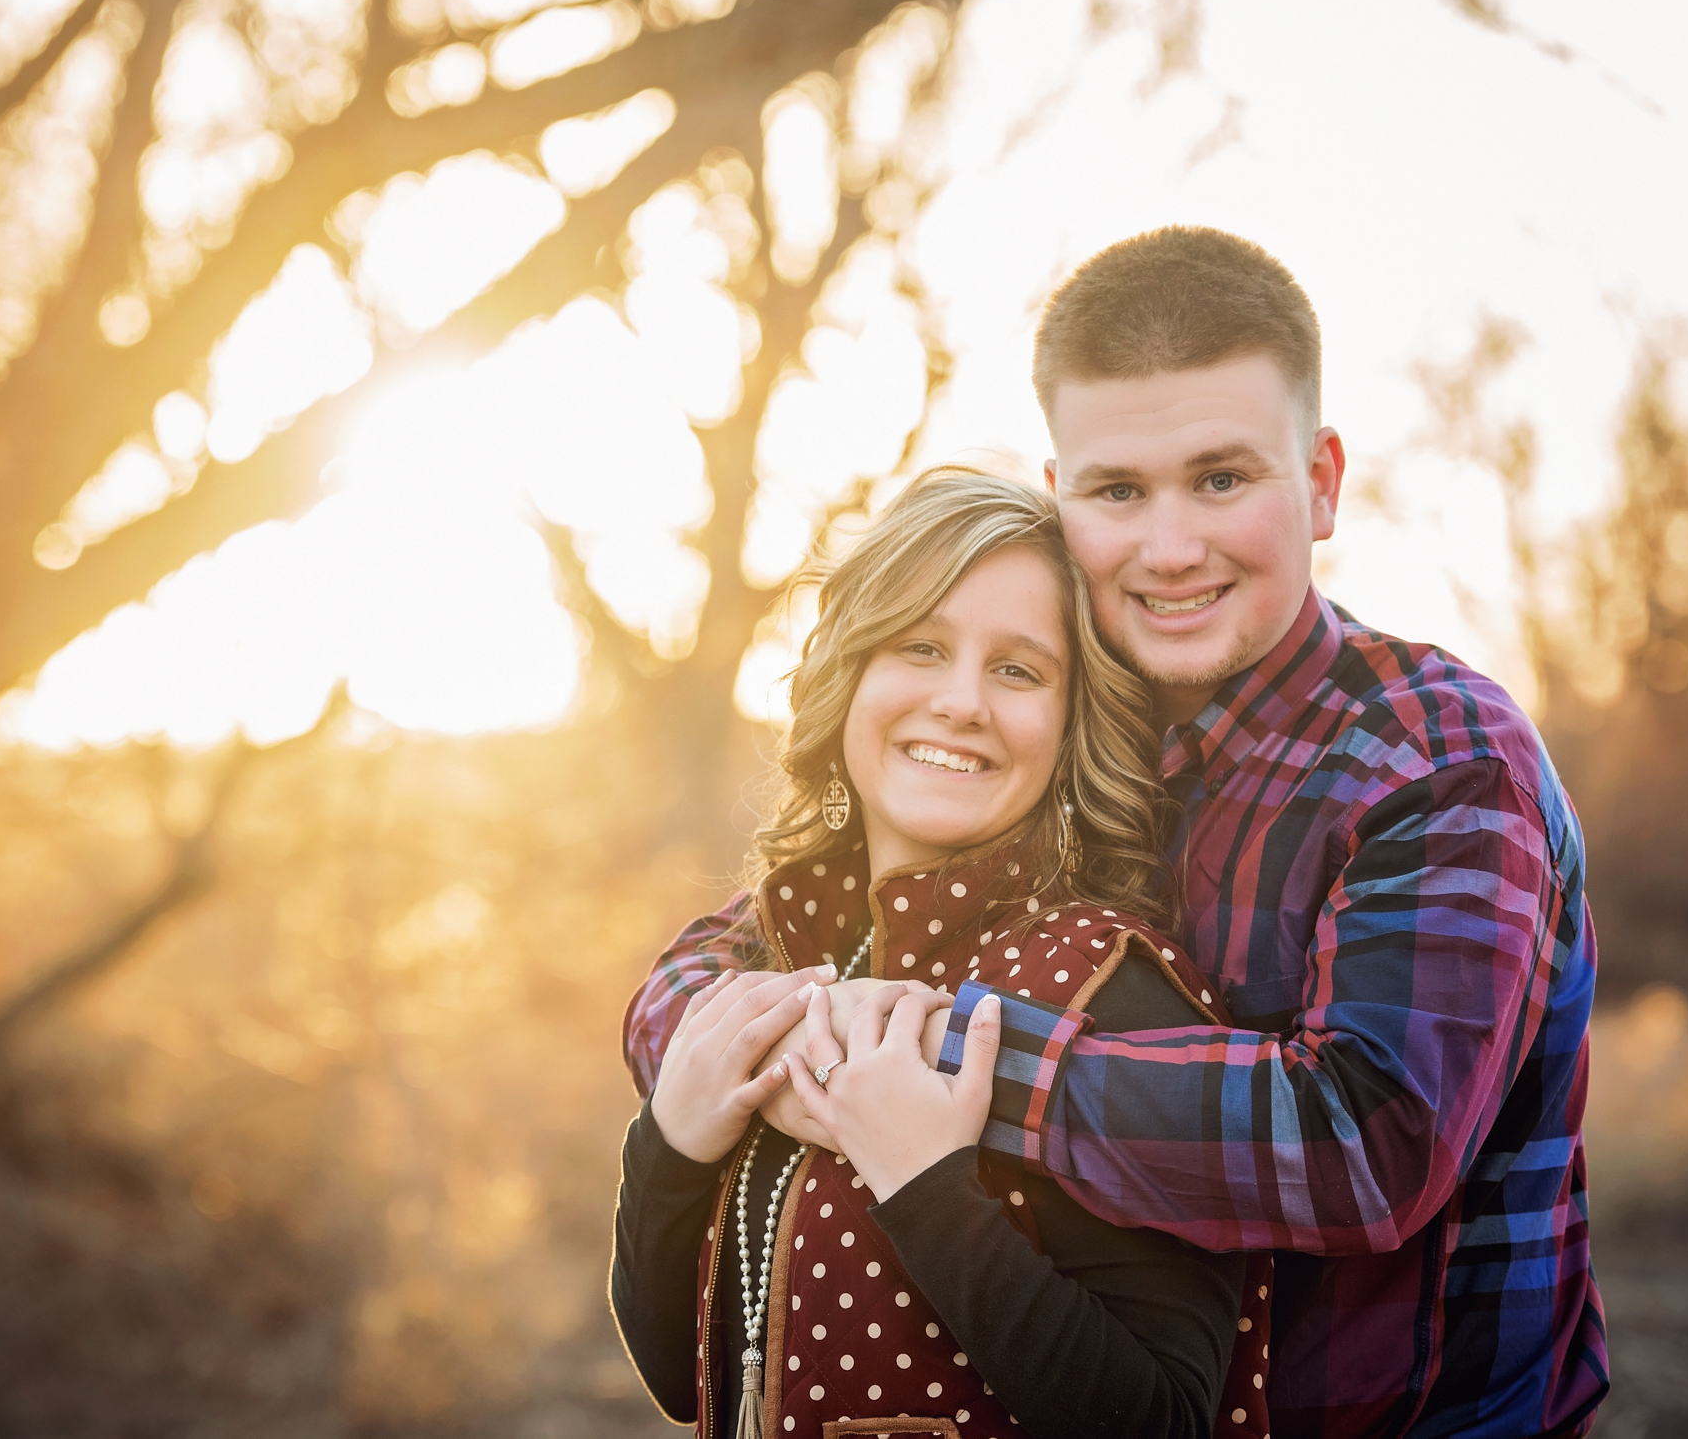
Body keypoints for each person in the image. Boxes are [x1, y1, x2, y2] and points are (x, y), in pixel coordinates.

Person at [624, 227, 1607, 1439]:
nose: (1171, 545)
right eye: (1118, 491)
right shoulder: (1076, 736)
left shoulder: (1436, 757)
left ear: (1324, 482)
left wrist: (937, 1063)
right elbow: (735, 957)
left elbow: (1367, 1142)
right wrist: (757, 1055)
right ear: (1063, 500)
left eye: (1222, 478)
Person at [609, 467, 1268, 1439]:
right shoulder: (777, 967)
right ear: (850, 675)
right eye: (921, 647)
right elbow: (687, 1375)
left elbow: (1168, 1421)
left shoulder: (1111, 994)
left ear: (1069, 722)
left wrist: (925, 1188)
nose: (961, 702)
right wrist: (668, 1147)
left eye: (1017, 669)